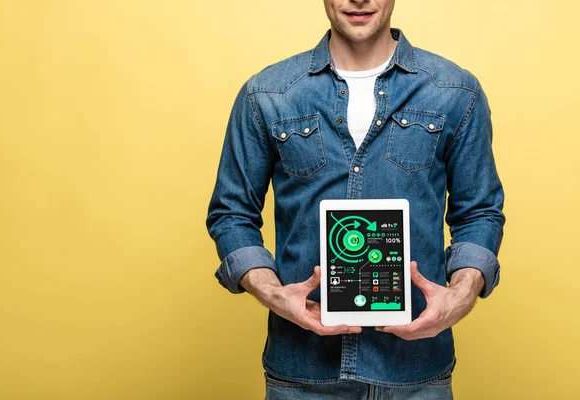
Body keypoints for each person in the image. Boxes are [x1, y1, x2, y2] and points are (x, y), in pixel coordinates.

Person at [205, 0, 505, 398]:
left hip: (417, 374)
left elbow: (480, 212)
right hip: (303, 373)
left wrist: (462, 294)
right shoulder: (267, 93)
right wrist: (274, 293)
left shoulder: (455, 92)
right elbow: (231, 213)